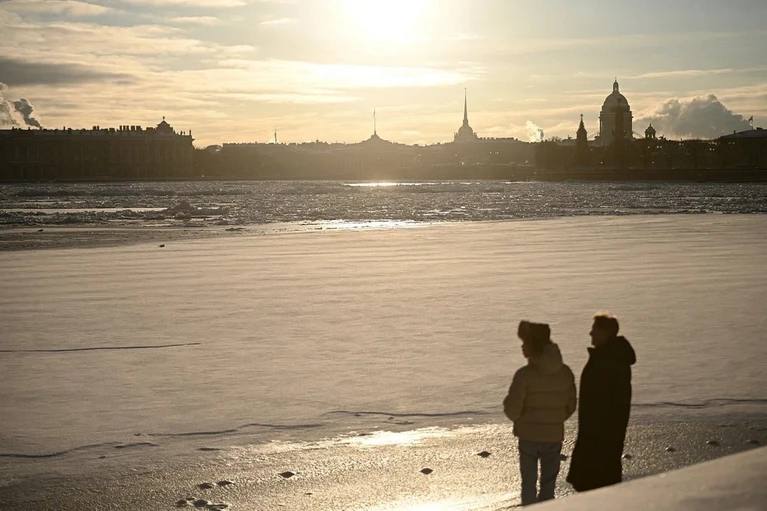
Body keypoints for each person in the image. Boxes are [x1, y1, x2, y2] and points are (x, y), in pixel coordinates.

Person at [503, 320, 577, 506]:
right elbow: (571, 405)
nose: (522, 347)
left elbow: (512, 409)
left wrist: (520, 418)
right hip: (553, 435)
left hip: (528, 436)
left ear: (532, 347)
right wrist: (555, 419)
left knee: (528, 484)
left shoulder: (524, 375)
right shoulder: (565, 372)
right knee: (548, 485)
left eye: (524, 343)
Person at [566, 313, 636, 492]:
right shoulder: (608, 358)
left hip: (599, 438)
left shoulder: (608, 361)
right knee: (597, 487)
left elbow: (612, 405)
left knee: (595, 487)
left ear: (605, 333)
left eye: (594, 330)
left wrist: (596, 435)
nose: (590, 333)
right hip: (599, 435)